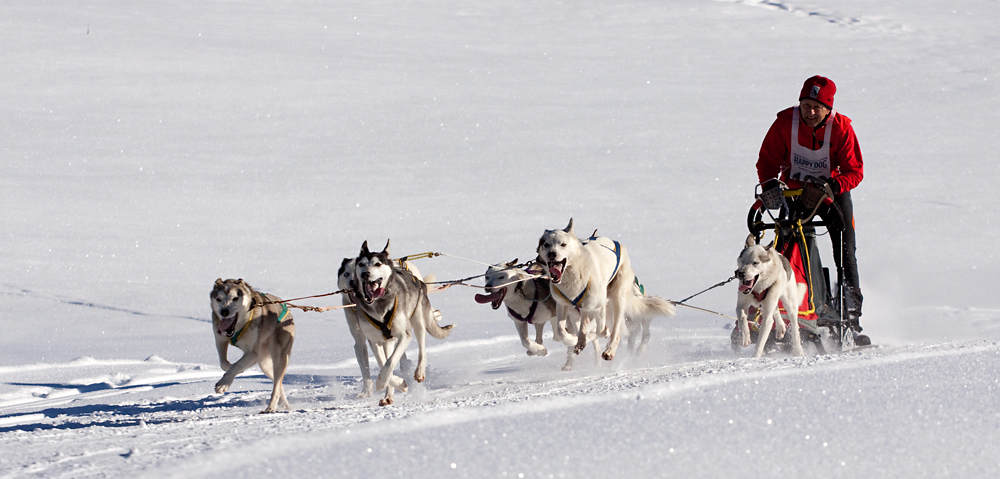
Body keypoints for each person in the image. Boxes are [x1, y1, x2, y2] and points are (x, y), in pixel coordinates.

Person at [756, 75, 865, 332]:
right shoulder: (785, 124)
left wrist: (833, 186)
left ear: (828, 109)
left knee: (845, 250)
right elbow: (767, 162)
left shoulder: (841, 128)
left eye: (817, 107)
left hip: (831, 194)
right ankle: (787, 305)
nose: (811, 112)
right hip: (794, 194)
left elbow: (854, 170)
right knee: (787, 247)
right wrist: (770, 184)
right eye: (806, 106)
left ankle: (851, 315)